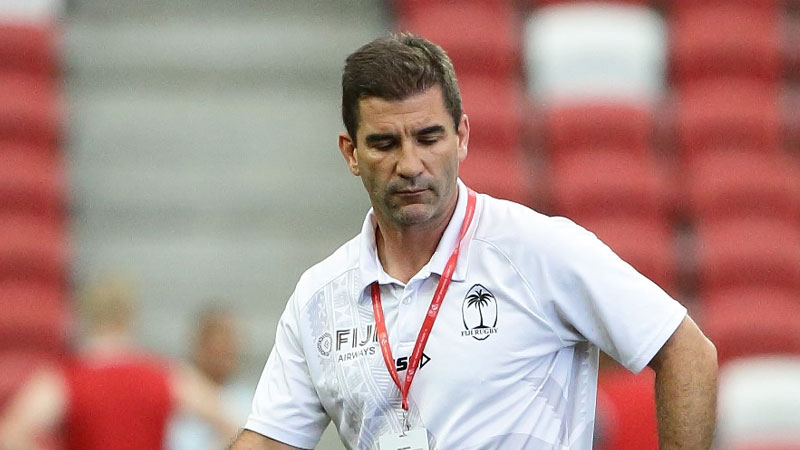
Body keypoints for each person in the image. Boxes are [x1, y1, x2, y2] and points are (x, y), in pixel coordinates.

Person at [229, 33, 718, 450]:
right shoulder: (319, 297)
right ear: (350, 152)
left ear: (461, 136)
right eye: (384, 143)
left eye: (428, 138)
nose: (410, 164)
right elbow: (270, 440)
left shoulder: (539, 249)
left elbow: (687, 352)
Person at [0, 277, 238, 450]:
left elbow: (8, 435)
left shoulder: (64, 380)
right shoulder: (166, 376)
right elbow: (233, 428)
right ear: (130, 317)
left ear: (86, 317)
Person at [168, 304, 253, 450]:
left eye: (232, 340)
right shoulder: (175, 393)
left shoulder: (250, 402)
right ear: (199, 345)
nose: (228, 349)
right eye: (220, 340)